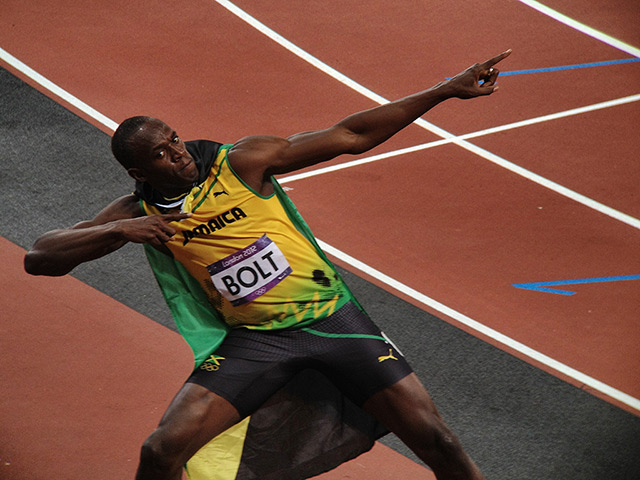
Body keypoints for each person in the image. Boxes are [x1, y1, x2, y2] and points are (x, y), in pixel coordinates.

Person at [25, 50, 511, 480]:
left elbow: (351, 134)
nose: (178, 154)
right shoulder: (137, 212)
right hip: (257, 342)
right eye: (161, 154)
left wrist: (446, 90)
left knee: (440, 442)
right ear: (139, 172)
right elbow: (39, 257)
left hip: (334, 321)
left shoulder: (240, 162)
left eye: (174, 139)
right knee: (160, 452)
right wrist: (116, 231)